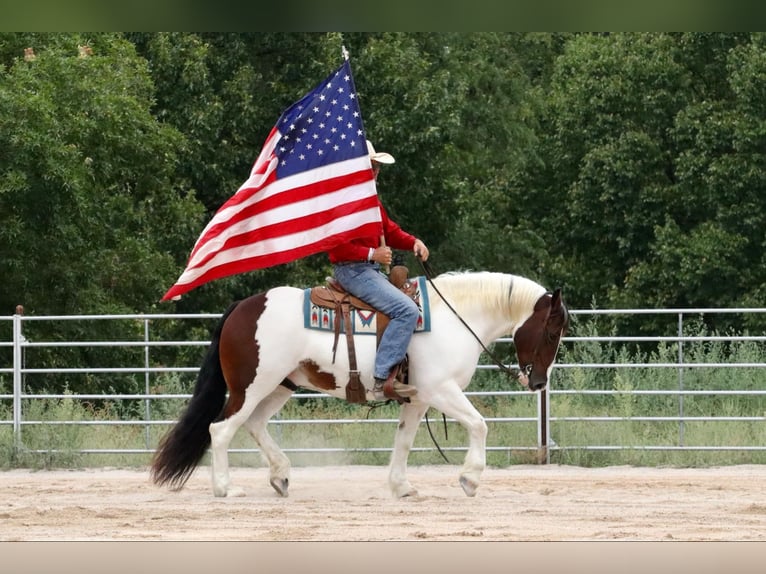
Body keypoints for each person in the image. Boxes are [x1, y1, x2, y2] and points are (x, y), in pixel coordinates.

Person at [327, 140, 430, 400]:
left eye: (377, 167)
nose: (376, 172)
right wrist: (373, 254)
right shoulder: (346, 201)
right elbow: (337, 248)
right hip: (353, 271)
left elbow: (389, 230)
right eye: (371, 166)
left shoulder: (370, 201)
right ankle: (382, 377)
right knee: (406, 310)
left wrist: (413, 241)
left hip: (367, 271)